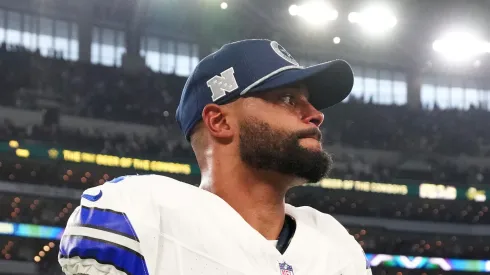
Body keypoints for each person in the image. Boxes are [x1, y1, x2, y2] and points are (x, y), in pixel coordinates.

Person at [58, 39, 372, 275]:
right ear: (219, 122)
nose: (316, 115)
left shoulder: (336, 246)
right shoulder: (140, 217)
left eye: (311, 102)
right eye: (288, 99)